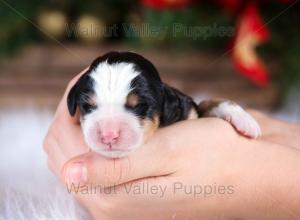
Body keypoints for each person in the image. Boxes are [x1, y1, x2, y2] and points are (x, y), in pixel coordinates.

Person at [43, 71, 300, 220]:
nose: (108, 133)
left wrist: (257, 178)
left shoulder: (178, 106)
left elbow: (198, 109)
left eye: (138, 108)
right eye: (91, 107)